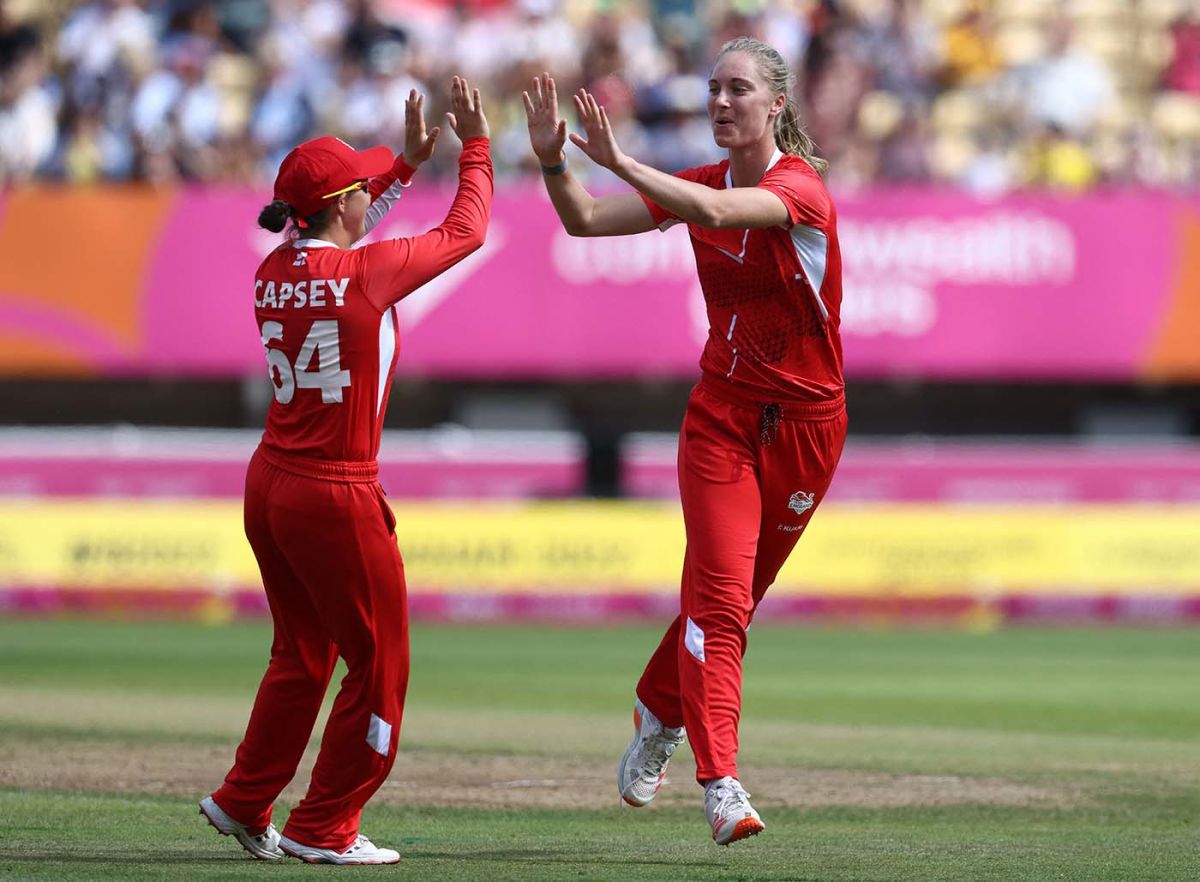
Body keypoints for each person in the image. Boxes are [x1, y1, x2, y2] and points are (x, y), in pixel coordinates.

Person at [523, 37, 846, 845]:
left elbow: (713, 212)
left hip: (809, 429)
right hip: (722, 420)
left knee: (733, 599)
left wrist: (625, 160)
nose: (721, 102)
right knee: (723, 603)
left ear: (775, 106)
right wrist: (554, 161)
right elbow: (586, 220)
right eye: (712, 89)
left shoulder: (799, 187)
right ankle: (721, 782)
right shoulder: (694, 183)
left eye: (739, 90)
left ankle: (656, 708)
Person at [199, 78, 492, 865]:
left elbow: (336, 245)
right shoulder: (365, 274)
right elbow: (467, 231)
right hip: (336, 488)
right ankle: (323, 824)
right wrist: (475, 149)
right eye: (363, 188)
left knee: (300, 653)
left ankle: (243, 799)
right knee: (379, 664)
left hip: (271, 483)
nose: (370, 194)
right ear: (343, 203)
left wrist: (398, 167)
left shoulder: (272, 273)